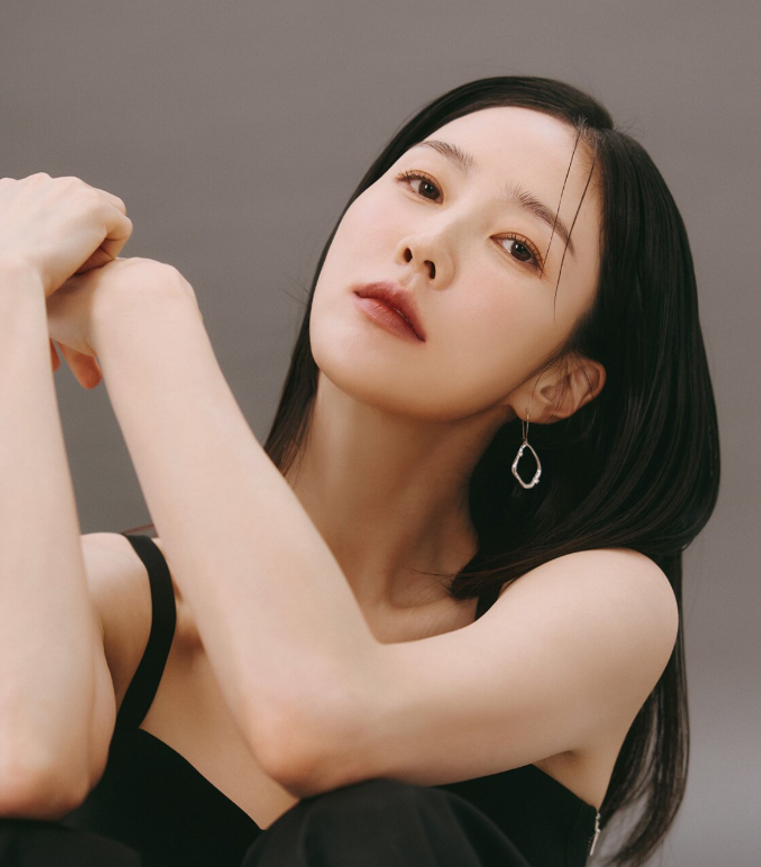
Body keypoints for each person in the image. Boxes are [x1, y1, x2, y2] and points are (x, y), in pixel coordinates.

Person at [0, 76, 719, 867]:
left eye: (518, 247)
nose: (427, 245)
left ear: (557, 386)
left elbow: (319, 717)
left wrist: (144, 309)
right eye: (424, 186)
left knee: (371, 824)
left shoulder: (607, 604)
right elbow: (20, 760)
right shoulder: (123, 598)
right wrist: (9, 289)